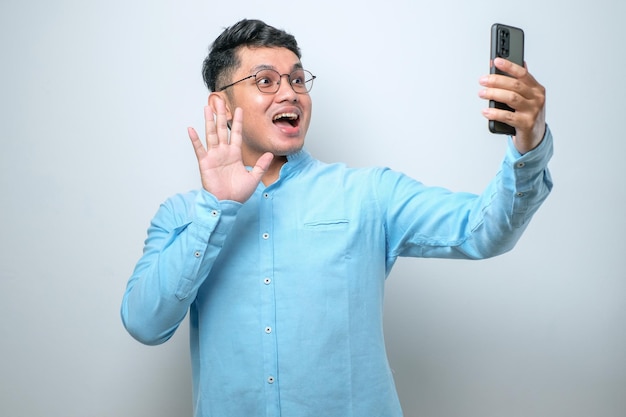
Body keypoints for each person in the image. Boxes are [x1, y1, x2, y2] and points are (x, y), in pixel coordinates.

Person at [121, 18, 553, 417]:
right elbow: (145, 324)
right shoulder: (181, 217)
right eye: (266, 81)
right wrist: (217, 209)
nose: (289, 93)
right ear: (221, 105)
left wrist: (528, 143)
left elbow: (483, 230)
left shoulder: (368, 194)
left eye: (296, 79)